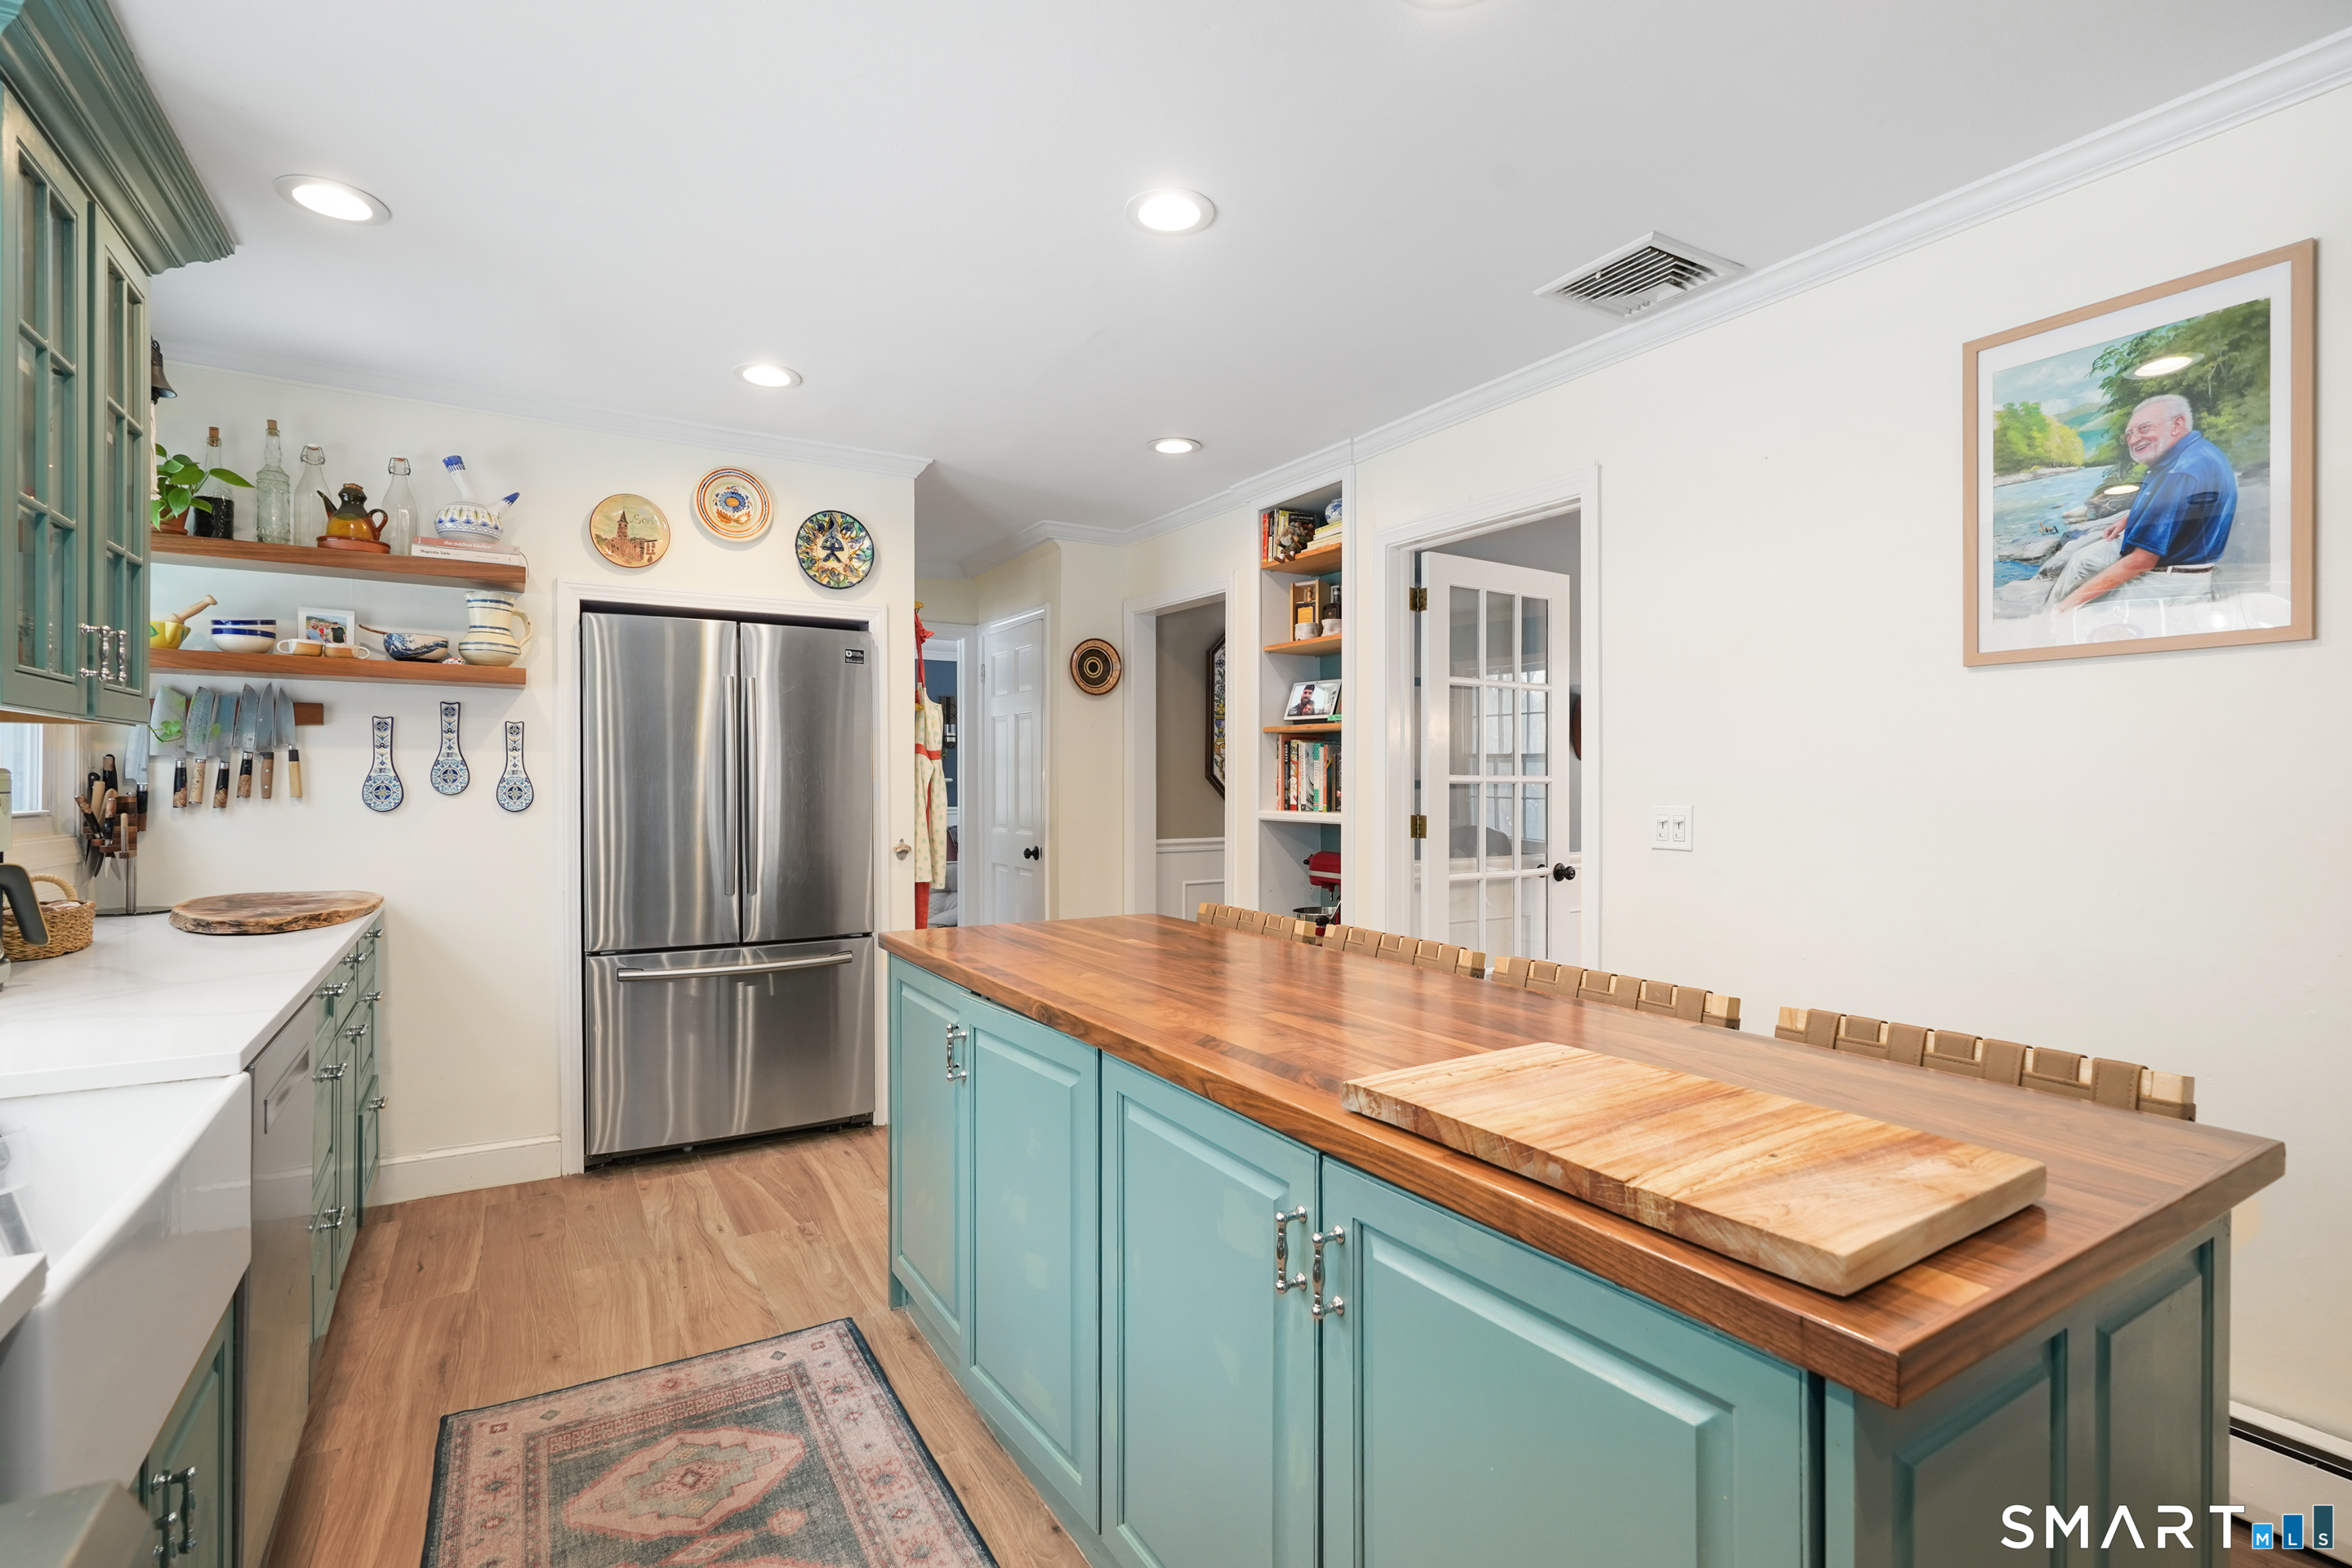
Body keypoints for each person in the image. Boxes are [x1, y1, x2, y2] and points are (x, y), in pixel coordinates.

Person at [2051, 394, 2238, 611]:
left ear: (2177, 424)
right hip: (2175, 557)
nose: (2134, 439)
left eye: (2144, 429)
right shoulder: (2189, 454)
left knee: (2082, 612)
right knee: (2080, 560)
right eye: (2129, 434)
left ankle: (2047, 623)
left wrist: (2064, 607)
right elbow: (2171, 509)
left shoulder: (2179, 473)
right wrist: (2130, 519)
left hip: (2170, 577)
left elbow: (2142, 560)